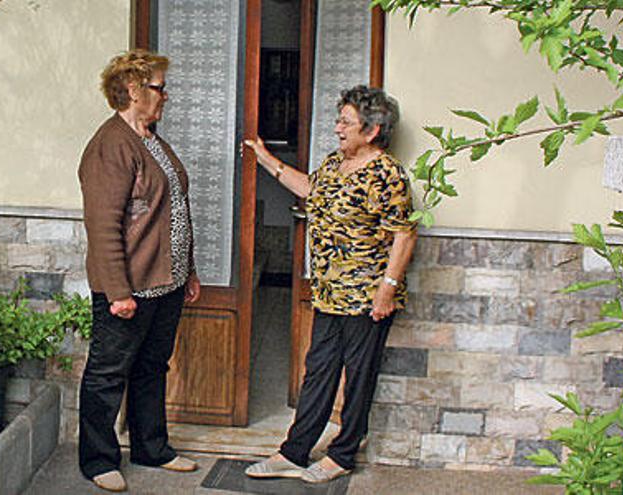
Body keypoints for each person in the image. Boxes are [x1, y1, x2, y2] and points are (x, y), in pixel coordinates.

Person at [243, 85, 417, 483]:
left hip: (366, 296)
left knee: (358, 376)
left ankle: (342, 455)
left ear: (372, 130)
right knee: (319, 370)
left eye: (346, 121)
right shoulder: (336, 163)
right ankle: (294, 451)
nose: (337, 127)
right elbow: (310, 190)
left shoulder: (386, 174)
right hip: (329, 293)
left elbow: (404, 234)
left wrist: (386, 290)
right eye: (339, 119)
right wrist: (267, 159)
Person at [77, 50, 201, 493]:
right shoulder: (111, 145)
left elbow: (173, 210)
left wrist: (188, 270)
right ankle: (97, 460)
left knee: (151, 367)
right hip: (129, 288)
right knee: (108, 374)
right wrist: (117, 291)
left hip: (165, 283)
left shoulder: (151, 140)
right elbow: (104, 225)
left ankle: (152, 447)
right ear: (133, 90)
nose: (166, 96)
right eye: (159, 87)